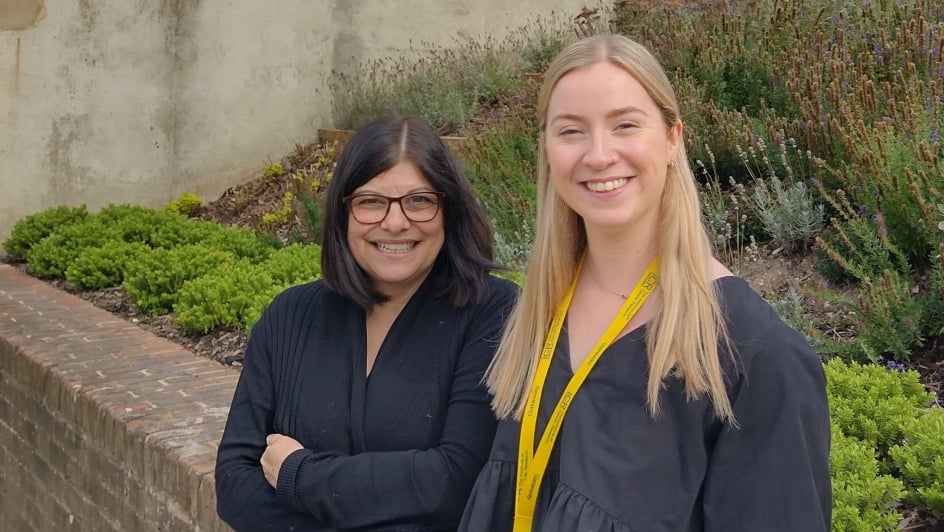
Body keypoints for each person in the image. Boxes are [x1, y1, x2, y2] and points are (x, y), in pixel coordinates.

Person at [459, 34, 831, 532]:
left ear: (673, 137)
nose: (598, 155)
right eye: (570, 131)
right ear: (546, 148)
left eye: (625, 125)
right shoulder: (539, 312)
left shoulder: (753, 357)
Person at [215, 115, 519, 531]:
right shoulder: (288, 317)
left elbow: (458, 481)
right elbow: (235, 481)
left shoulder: (494, 313)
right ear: (344, 212)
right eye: (371, 201)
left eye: (419, 200)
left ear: (448, 209)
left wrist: (299, 475)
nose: (395, 222)